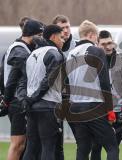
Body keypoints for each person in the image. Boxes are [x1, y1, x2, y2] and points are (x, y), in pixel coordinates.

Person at [66, 20, 119, 160]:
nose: (97, 40)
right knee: (112, 146)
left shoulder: (70, 54)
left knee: (83, 148)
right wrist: (110, 109)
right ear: (91, 35)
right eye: (96, 37)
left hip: (75, 107)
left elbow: (65, 84)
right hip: (93, 105)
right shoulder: (96, 51)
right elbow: (104, 82)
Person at [0, 19, 43, 160]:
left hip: (17, 100)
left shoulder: (23, 47)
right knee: (18, 144)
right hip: (17, 101)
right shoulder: (18, 49)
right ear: (34, 35)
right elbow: (27, 70)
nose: (42, 39)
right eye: (40, 35)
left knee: (24, 145)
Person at [22, 25, 65, 160]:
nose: (63, 40)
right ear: (53, 37)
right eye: (61, 37)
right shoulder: (54, 53)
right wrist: (35, 97)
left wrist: (29, 99)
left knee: (31, 147)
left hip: (31, 106)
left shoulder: (32, 54)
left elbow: (24, 80)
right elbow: (50, 80)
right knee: (48, 146)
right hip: (48, 106)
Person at [90, 30, 122, 160]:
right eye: (104, 44)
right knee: (96, 147)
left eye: (110, 43)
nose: (108, 47)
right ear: (97, 44)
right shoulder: (93, 62)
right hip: (99, 111)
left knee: (114, 147)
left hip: (118, 112)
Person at [52, 14, 78, 160]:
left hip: (75, 101)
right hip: (55, 101)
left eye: (67, 26)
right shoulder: (50, 49)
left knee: (83, 140)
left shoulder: (80, 46)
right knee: (56, 142)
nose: (66, 31)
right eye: (62, 28)